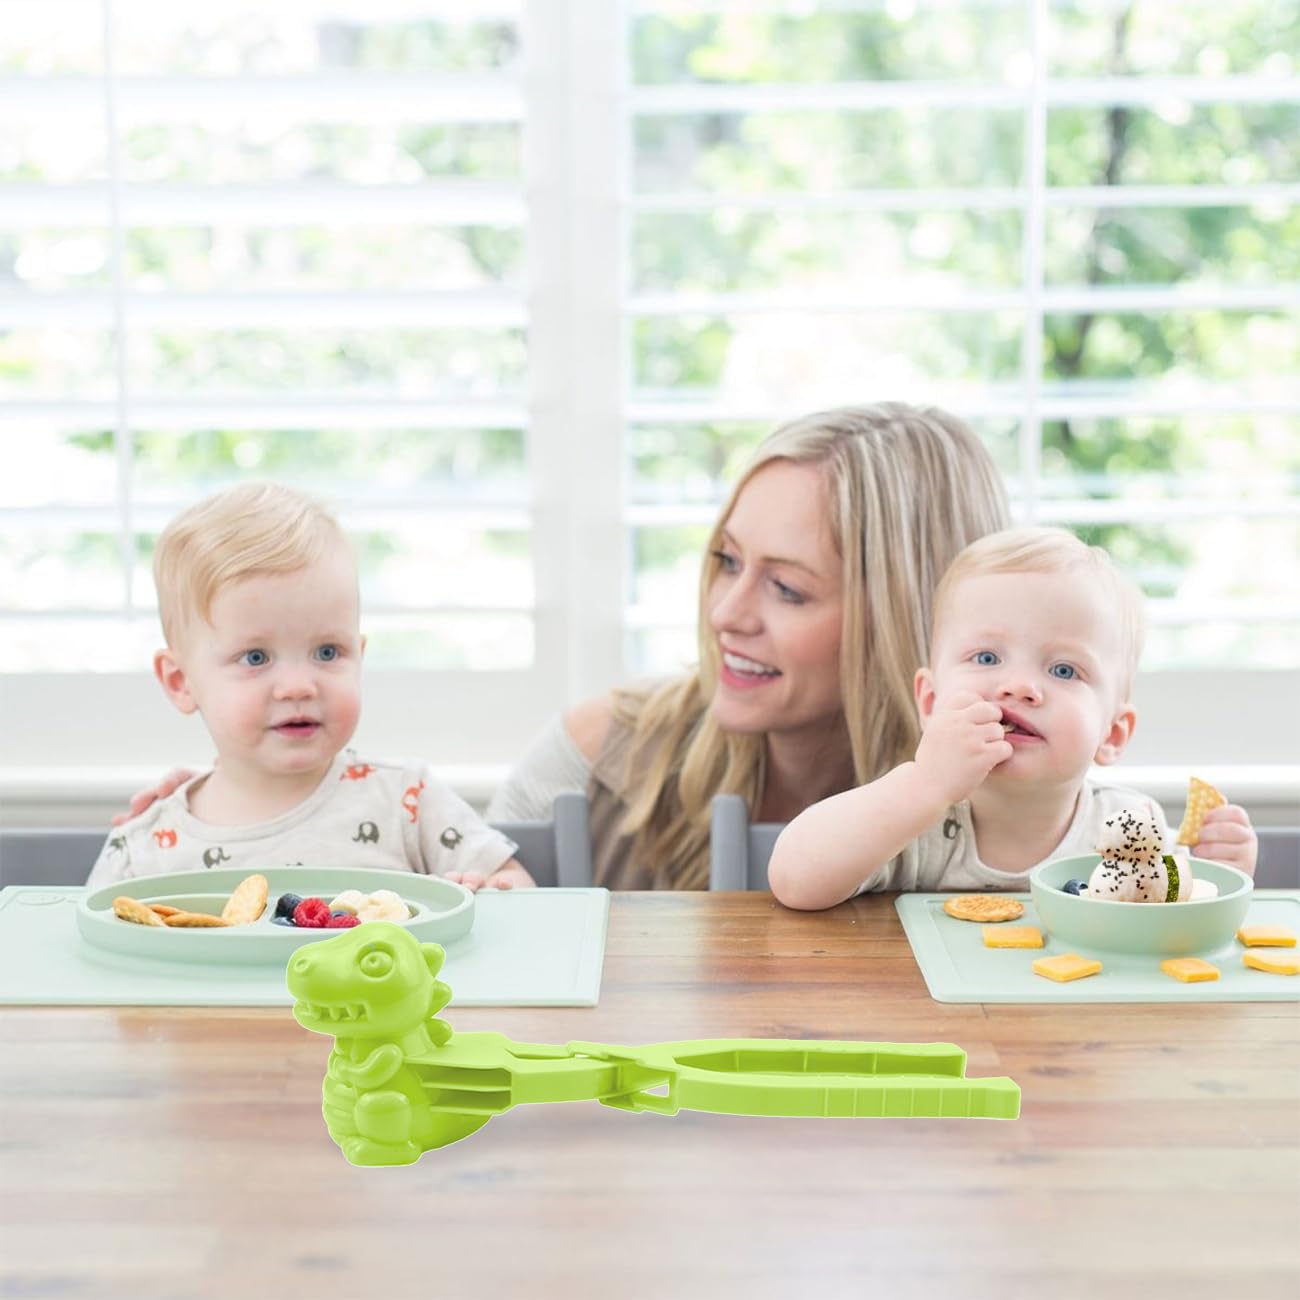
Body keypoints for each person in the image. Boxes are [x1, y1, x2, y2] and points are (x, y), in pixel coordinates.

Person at [115, 403, 1011, 891]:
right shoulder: (601, 758)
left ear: (906, 618)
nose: (727, 613)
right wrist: (234, 802)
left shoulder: (1011, 797)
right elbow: (474, 911)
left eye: (787, 588)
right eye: (724, 562)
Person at [765, 526, 1259, 910]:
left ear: (1111, 734)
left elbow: (1175, 908)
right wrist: (925, 784)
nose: (1018, 686)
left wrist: (1219, 873)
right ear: (931, 703)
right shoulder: (912, 816)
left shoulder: (1128, 823)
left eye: (1064, 669)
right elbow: (793, 881)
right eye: (986, 658)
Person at [87, 483, 533, 891]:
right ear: (181, 682)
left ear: (359, 655)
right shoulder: (143, 852)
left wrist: (493, 895)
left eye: (327, 652)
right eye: (255, 658)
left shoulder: (407, 802)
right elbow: (90, 967)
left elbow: (518, 890)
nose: (298, 687)